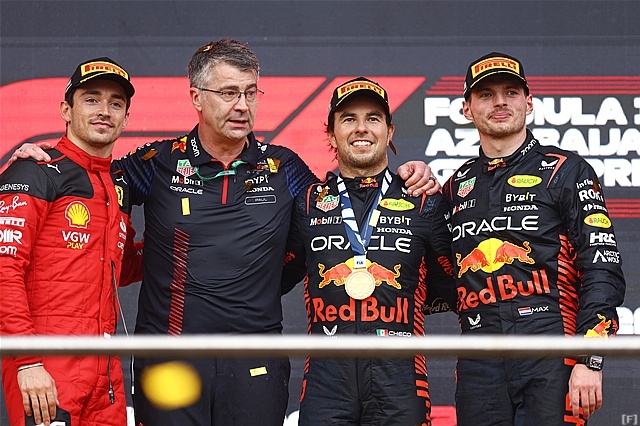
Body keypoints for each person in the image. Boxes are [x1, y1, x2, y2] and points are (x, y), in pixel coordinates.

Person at [10, 39, 439, 425]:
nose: (242, 105)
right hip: (171, 362)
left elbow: (340, 206)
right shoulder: (157, 163)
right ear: (196, 97)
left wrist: (408, 174)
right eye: (229, 93)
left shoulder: (284, 167)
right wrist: (46, 159)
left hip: (255, 363)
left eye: (250, 93)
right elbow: (93, 179)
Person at [442, 52, 626, 425]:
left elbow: (601, 266)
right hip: (479, 359)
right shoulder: (455, 186)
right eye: (486, 94)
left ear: (528, 103)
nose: (500, 102)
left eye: (511, 92)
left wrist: (590, 358)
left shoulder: (566, 170)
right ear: (466, 109)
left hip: (551, 349)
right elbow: (436, 273)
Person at [281, 77, 456, 425]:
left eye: (373, 118)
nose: (361, 128)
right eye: (349, 119)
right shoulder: (308, 203)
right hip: (326, 379)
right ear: (331, 135)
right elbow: (275, 278)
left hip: (400, 376)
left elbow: (454, 288)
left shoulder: (423, 200)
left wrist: (400, 309)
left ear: (389, 132)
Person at [0, 57, 141, 426]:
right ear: (66, 110)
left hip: (106, 377)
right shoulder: (34, 169)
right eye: (91, 99)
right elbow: (3, 270)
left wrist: (192, 247)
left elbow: (119, 267)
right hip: (46, 367)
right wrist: (27, 360)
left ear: (126, 118)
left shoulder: (118, 184)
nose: (104, 111)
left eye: (115, 103)